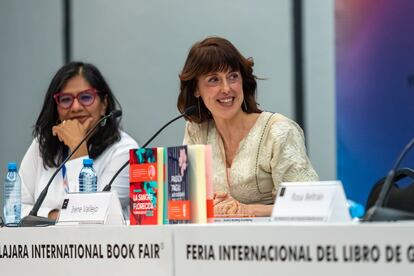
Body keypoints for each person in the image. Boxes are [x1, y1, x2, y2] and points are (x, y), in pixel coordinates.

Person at [177, 37, 318, 217]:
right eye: (214, 80)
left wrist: (249, 209)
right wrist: (211, 203)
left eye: (233, 76)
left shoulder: (279, 131)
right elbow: (186, 201)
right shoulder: (196, 130)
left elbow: (308, 203)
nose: (226, 88)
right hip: (214, 243)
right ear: (196, 89)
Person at [20, 62, 138, 220]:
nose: (75, 107)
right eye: (65, 99)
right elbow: (16, 209)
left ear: (104, 104)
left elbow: (90, 216)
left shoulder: (124, 152)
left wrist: (78, 147)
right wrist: (54, 215)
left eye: (86, 97)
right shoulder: (42, 144)